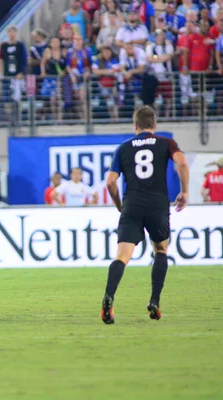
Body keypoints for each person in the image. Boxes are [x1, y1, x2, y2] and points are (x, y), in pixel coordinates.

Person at [101, 105, 189, 324]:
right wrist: (185, 191)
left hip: (132, 204)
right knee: (160, 249)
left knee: (122, 256)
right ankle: (154, 302)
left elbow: (110, 182)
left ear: (136, 126)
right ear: (155, 125)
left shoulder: (123, 148)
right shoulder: (166, 143)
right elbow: (182, 163)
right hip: (158, 204)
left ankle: (109, 297)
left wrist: (119, 204)